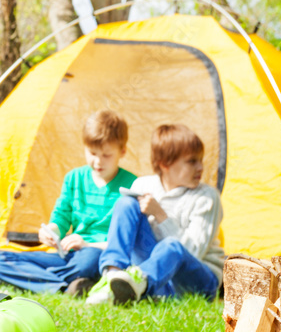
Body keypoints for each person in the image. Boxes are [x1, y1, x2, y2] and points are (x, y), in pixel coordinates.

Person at [0, 110, 138, 296]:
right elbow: (61, 218)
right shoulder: (74, 178)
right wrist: (51, 232)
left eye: (106, 155)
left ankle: (45, 281)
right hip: (69, 255)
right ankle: (65, 286)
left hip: (99, 254)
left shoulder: (132, 185)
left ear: (122, 151)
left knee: (89, 261)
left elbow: (128, 242)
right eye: (92, 153)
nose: (98, 161)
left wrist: (87, 245)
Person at [85, 123, 224, 306]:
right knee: (126, 204)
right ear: (165, 164)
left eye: (200, 160)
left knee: (171, 246)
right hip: (155, 276)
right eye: (191, 161)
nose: (200, 167)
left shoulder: (206, 197)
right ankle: (112, 277)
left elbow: (192, 252)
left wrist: (160, 215)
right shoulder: (143, 186)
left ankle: (137, 285)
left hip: (198, 280)